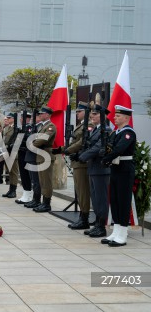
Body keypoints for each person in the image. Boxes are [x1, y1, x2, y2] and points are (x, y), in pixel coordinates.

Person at [100, 105, 136, 247]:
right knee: (114, 200)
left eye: (118, 116)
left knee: (123, 201)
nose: (115, 117)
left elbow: (119, 149)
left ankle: (122, 235)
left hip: (125, 170)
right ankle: (116, 232)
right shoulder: (116, 132)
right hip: (115, 168)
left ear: (126, 118)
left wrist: (106, 158)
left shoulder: (128, 133)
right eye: (115, 115)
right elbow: (109, 146)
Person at [79, 105, 111, 238]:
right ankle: (97, 224)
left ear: (103, 116)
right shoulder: (94, 130)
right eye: (92, 114)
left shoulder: (106, 130)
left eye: (95, 114)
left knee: (101, 198)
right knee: (95, 198)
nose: (92, 116)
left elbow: (98, 147)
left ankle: (101, 227)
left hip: (101, 169)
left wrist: (83, 156)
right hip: (93, 168)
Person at [60, 102, 93, 229]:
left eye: (79, 111)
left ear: (86, 112)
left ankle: (84, 219)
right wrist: (63, 149)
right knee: (79, 191)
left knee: (83, 191)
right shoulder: (81, 125)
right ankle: (82, 216)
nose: (77, 113)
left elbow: (81, 142)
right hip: (77, 162)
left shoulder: (89, 125)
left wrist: (68, 150)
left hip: (82, 163)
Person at [32, 106, 57, 213]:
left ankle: (47, 203)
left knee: (46, 181)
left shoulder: (50, 126)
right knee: (42, 181)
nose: (40, 115)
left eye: (42, 114)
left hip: (46, 155)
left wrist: (32, 144)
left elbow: (42, 139)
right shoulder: (43, 126)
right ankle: (43, 202)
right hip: (40, 155)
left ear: (47, 115)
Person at [16, 112, 33, 204]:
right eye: (21, 117)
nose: (21, 119)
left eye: (24, 117)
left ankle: (28, 194)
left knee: (27, 175)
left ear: (28, 119)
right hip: (21, 153)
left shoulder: (29, 128)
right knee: (23, 174)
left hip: (26, 153)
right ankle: (25, 193)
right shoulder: (20, 129)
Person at [2, 113, 20, 198]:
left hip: (12, 152)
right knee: (10, 172)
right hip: (6, 151)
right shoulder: (7, 128)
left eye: (9, 118)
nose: (7, 119)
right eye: (7, 118)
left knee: (14, 172)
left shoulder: (16, 128)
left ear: (13, 119)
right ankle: (10, 190)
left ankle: (14, 190)